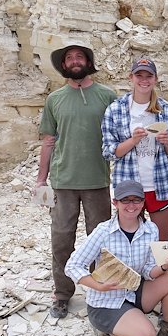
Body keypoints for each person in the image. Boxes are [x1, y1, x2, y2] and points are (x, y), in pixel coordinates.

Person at [36, 43, 117, 319]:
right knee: (61, 239)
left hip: (97, 181)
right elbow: (48, 141)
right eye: (69, 58)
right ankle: (62, 294)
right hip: (63, 182)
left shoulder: (107, 95)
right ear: (63, 65)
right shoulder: (54, 99)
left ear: (88, 61)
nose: (74, 61)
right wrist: (41, 180)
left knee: (100, 241)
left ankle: (99, 290)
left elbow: (119, 137)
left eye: (79, 56)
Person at [65, 180, 168, 336]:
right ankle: (107, 331)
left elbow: (148, 270)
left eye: (136, 200)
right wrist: (98, 285)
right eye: (125, 200)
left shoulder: (151, 229)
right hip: (106, 300)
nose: (131, 205)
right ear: (116, 203)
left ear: (143, 202)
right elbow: (73, 265)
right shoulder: (103, 231)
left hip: (134, 292)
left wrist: (163, 267)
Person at [102, 58, 168, 241]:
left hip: (160, 184)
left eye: (148, 76)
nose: (144, 80)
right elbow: (109, 152)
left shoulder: (166, 109)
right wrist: (133, 141)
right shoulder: (115, 109)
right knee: (128, 240)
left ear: (155, 79)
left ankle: (167, 270)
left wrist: (167, 142)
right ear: (131, 77)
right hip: (128, 185)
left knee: (162, 242)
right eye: (139, 75)